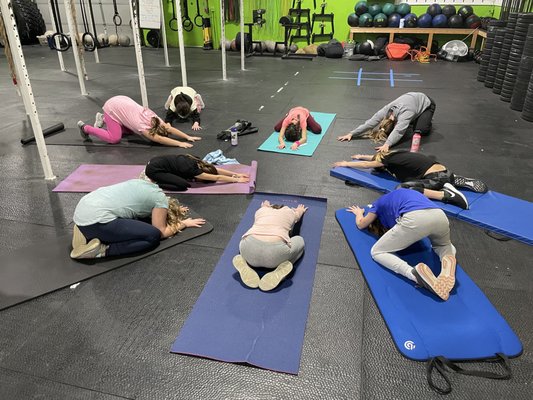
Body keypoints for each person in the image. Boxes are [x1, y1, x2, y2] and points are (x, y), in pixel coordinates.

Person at [347, 188, 457, 301]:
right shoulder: (404, 193)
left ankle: (414, 274)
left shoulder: (377, 205)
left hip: (415, 219)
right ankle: (447, 259)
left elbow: (361, 224)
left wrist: (359, 213)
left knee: (377, 252)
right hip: (440, 215)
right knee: (443, 245)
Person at [70, 179, 206, 259]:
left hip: (81, 213)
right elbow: (162, 232)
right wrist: (183, 223)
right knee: (152, 236)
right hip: (95, 222)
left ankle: (83, 232)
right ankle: (101, 250)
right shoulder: (160, 199)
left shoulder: (140, 181)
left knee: (137, 222)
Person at [333, 149, 489, 209]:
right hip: (445, 171)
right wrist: (360, 156)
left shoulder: (385, 162)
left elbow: (369, 163)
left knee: (403, 189)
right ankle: (454, 180)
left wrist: (346, 163)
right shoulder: (396, 155)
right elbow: (374, 158)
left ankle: (446, 194)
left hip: (436, 178)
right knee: (433, 177)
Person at [232, 200, 307, 291]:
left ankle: (246, 263)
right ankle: (281, 268)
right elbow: (297, 216)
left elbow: (264, 206)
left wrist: (265, 206)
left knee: (245, 240)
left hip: (248, 249)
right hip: (275, 255)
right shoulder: (288, 211)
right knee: (300, 240)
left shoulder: (261, 211)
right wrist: (300, 210)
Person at [77, 95, 201, 147]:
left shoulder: (155, 119)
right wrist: (179, 143)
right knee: (114, 138)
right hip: (112, 107)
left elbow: (168, 128)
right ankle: (86, 128)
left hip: (122, 101)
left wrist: (187, 137)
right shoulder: (142, 126)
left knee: (130, 132)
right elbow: (159, 139)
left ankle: (104, 119)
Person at [337, 92, 436, 152]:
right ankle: (416, 118)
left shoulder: (406, 113)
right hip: (412, 101)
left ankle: (426, 120)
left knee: (420, 130)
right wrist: (351, 134)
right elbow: (370, 123)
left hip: (427, 103)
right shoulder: (386, 110)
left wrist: (387, 144)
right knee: (406, 122)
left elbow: (399, 131)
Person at [141, 154, 250, 191]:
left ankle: (159, 177)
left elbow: (215, 169)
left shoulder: (197, 161)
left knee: (182, 178)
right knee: (183, 185)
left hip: (155, 161)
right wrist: (236, 180)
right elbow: (217, 177)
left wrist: (235, 174)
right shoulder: (195, 171)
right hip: (153, 170)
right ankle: (153, 182)